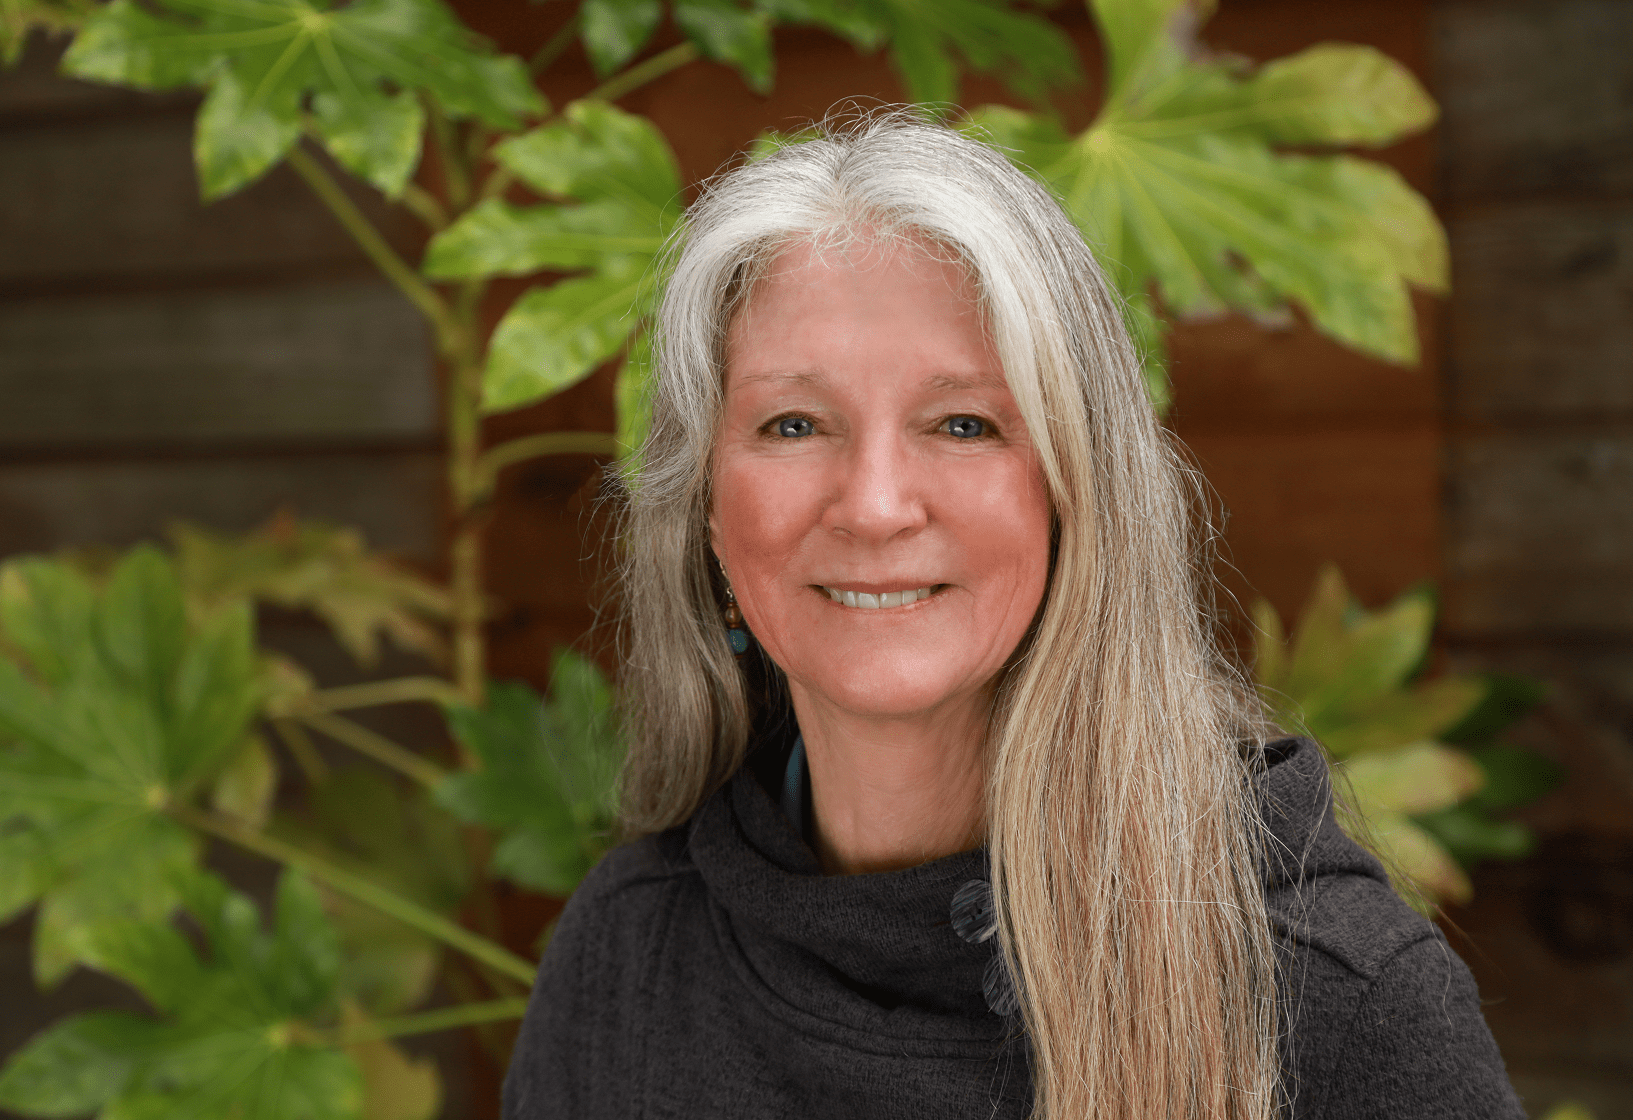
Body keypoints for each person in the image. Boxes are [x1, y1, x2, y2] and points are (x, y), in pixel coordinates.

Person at [505, 111, 1523, 1120]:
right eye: (794, 423)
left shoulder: (1329, 998)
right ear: (710, 518)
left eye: (962, 423)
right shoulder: (626, 958)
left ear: (1076, 494)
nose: (873, 503)